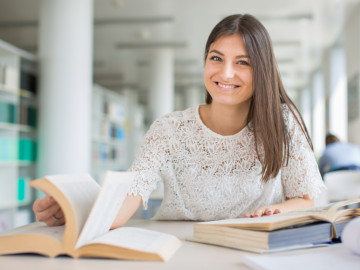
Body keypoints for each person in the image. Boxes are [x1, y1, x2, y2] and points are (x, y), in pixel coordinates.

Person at [33, 14, 324, 229]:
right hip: (179, 251)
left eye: (243, 62)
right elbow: (130, 195)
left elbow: (308, 199)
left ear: (262, 70)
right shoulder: (169, 129)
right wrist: (77, 213)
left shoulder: (283, 124)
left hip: (252, 252)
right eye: (216, 58)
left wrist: (278, 210)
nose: (225, 73)